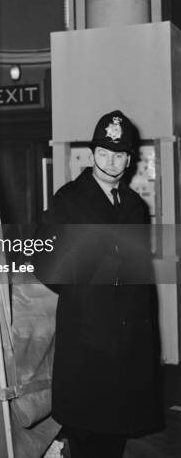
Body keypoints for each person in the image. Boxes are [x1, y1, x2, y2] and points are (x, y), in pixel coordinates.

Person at [37, 110, 163, 458]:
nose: (111, 162)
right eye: (104, 153)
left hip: (129, 345)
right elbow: (44, 262)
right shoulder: (70, 201)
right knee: (89, 436)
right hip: (89, 343)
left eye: (119, 154)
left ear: (129, 159)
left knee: (116, 436)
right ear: (92, 154)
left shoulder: (135, 206)